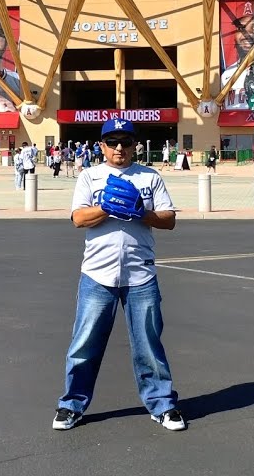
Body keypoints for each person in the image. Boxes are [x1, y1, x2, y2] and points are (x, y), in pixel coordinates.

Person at [53, 117, 184, 433]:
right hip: (97, 275)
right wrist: (107, 207)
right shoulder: (90, 176)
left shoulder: (149, 177)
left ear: (135, 145)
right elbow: (78, 218)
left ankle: (163, 405)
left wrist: (142, 212)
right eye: (112, 142)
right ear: (101, 146)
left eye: (126, 142)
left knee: (149, 346)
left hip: (141, 275)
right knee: (84, 344)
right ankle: (71, 405)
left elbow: (168, 220)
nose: (119, 148)